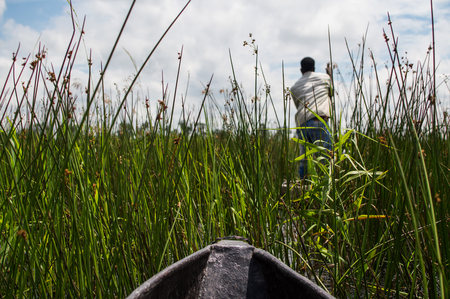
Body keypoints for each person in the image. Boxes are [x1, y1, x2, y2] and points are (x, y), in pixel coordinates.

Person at [290, 57, 333, 179]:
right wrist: (330, 74)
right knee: (325, 157)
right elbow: (331, 93)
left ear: (301, 70)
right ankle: (324, 186)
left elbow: (298, 105)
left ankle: (304, 186)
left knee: (305, 158)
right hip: (319, 121)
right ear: (314, 68)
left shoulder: (294, 87)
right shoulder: (325, 78)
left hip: (302, 123)